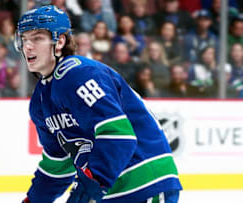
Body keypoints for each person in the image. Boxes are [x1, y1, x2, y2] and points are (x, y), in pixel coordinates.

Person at [16, 5, 182, 203]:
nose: (28, 46)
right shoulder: (40, 101)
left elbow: (118, 135)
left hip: (144, 183)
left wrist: (89, 188)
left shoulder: (79, 74)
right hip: (109, 191)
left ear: (59, 41)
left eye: (37, 38)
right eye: (24, 39)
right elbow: (57, 164)